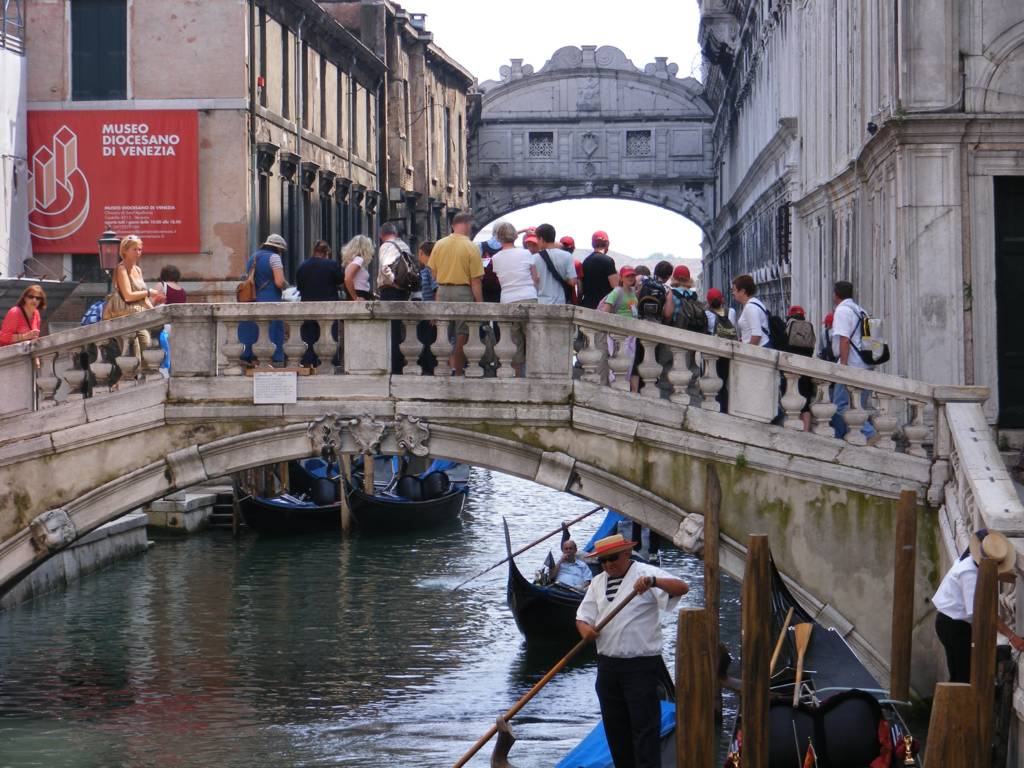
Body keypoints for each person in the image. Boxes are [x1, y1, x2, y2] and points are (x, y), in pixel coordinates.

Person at [576, 534, 689, 768]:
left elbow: (682, 587)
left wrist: (653, 582)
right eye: (603, 561)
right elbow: (582, 616)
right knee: (616, 730)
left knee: (644, 729)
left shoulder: (645, 573)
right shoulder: (597, 582)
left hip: (641, 667)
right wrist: (585, 631)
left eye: (612, 558)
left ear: (627, 553)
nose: (607, 564)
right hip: (607, 668)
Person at [933, 529, 1024, 683]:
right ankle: (960, 706)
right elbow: (982, 613)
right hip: (953, 626)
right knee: (964, 674)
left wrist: (1016, 579)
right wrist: (1012, 636)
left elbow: (991, 572)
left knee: (961, 671)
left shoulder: (970, 559)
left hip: (952, 622)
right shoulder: (969, 574)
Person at [427, 212, 484, 375]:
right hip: (463, 291)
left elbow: (434, 275)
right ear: (466, 225)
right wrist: (480, 305)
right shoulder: (471, 246)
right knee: (461, 334)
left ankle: (443, 368)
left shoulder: (439, 244)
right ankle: (458, 371)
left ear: (453, 225)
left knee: (443, 332)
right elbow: (475, 281)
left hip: (443, 290)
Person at [490, 221, 539, 377]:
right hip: (529, 297)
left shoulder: (496, 258)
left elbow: (500, 280)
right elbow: (535, 277)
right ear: (516, 237)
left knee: (514, 343)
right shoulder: (526, 254)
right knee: (532, 340)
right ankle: (533, 376)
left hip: (508, 300)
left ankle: (517, 377)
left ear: (498, 238)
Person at [829, 281, 877, 442]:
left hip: (852, 366)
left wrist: (842, 367)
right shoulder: (860, 310)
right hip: (866, 364)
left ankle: (870, 434)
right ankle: (860, 441)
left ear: (836, 295)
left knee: (840, 406)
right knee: (859, 407)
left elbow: (844, 339)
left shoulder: (842, 311)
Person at [112, 235, 166, 360]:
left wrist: (154, 310)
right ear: (124, 251)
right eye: (134, 249)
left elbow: (143, 296)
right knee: (135, 357)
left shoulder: (138, 269)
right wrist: (149, 292)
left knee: (146, 350)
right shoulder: (121, 269)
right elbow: (128, 296)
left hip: (139, 316)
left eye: (140, 249)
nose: (138, 252)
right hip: (125, 317)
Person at [238, 234, 286, 365]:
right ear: (279, 248)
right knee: (271, 328)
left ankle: (252, 359)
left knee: (253, 328)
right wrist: (284, 283)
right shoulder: (274, 257)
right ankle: (271, 359)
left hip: (253, 297)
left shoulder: (253, 256)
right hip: (269, 297)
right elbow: (279, 282)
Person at [296, 240, 345, 366]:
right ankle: (330, 363)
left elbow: (299, 287)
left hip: (308, 308)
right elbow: (340, 280)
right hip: (327, 307)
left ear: (314, 251)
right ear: (326, 253)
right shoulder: (331, 265)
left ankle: (308, 363)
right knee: (328, 337)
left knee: (309, 338)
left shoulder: (303, 266)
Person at [377, 223, 414, 374]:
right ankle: (398, 364)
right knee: (398, 329)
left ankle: (393, 366)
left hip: (391, 291)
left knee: (390, 330)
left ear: (381, 235)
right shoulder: (404, 245)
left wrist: (395, 282)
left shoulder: (386, 246)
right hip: (404, 291)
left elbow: (385, 268)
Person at [599, 266, 640, 391]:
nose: (631, 278)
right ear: (621, 278)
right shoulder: (617, 292)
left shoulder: (633, 293)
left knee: (629, 360)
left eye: (632, 275)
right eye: (628, 276)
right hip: (618, 332)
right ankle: (614, 386)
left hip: (631, 333)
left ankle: (622, 385)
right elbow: (606, 311)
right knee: (617, 358)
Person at [704, 288, 737, 412]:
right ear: (722, 299)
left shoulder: (708, 314)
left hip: (714, 351)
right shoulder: (732, 312)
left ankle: (717, 407)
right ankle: (725, 408)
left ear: (708, 302)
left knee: (714, 379)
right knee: (724, 381)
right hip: (728, 351)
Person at [785, 305, 816, 431]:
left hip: (792, 365)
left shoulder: (789, 325)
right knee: (806, 401)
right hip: (807, 366)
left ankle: (793, 427)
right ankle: (806, 430)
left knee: (791, 397)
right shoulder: (809, 325)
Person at [533, 224, 577, 306]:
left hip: (541, 302)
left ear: (541, 239)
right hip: (560, 302)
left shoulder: (534, 258)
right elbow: (572, 282)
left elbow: (534, 281)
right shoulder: (567, 256)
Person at [157, 265, 187, 375]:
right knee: (174, 353)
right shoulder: (182, 290)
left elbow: (152, 302)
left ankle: (164, 374)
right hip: (177, 327)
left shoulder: (162, 285)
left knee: (163, 352)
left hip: (163, 326)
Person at [731, 273, 769, 347]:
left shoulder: (750, 307)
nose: (733, 293)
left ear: (742, 291)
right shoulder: (755, 303)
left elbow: (757, 334)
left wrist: (747, 352)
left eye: (734, 290)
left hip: (759, 351)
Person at [342, 234, 375, 301]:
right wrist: (355, 297)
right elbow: (347, 279)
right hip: (360, 294)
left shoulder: (352, 261)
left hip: (357, 293)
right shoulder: (359, 260)